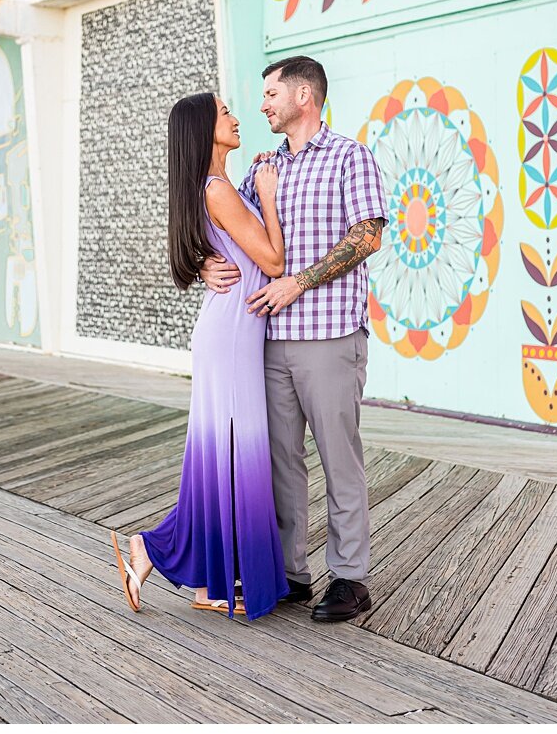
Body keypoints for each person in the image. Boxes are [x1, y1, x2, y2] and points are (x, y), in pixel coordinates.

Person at [199, 56, 387, 623]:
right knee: (280, 462)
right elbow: (239, 236)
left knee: (338, 459)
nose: (262, 105)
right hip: (269, 341)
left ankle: (351, 578)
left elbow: (368, 237)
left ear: (304, 95)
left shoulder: (351, 157)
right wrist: (204, 263)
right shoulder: (262, 168)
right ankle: (291, 574)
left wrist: (297, 283)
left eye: (271, 93)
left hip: (329, 336)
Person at [112, 93, 292, 621]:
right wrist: (268, 194)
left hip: (227, 328)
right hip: (232, 333)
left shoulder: (215, 187)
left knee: (220, 460)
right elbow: (274, 261)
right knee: (234, 457)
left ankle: (193, 575)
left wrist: (251, 189)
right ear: (204, 130)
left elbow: (228, 251)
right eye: (225, 113)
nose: (237, 118)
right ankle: (193, 570)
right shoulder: (217, 190)